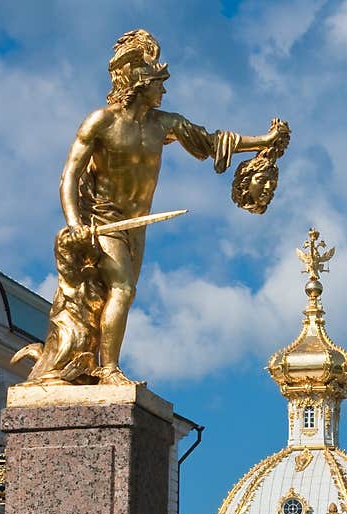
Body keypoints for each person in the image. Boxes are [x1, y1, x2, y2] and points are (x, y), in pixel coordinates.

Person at [15, 29, 289, 387]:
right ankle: (108, 370)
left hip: (135, 226)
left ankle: (81, 364)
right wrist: (75, 222)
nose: (164, 90)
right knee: (123, 290)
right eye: (159, 82)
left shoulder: (164, 125)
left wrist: (263, 142)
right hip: (103, 220)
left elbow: (211, 142)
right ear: (140, 84)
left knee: (105, 298)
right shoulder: (101, 122)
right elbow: (69, 177)